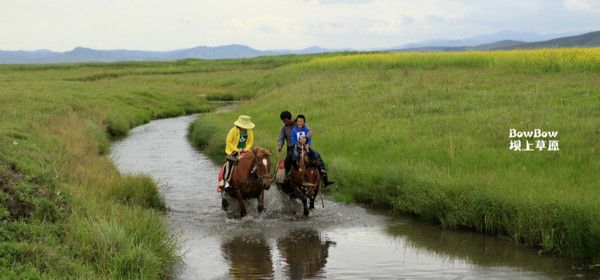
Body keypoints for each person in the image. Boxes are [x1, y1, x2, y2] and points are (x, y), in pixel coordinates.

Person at [290, 114, 335, 187]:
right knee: (294, 156)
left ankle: (324, 175)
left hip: (306, 147)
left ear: (304, 122)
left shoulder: (307, 129)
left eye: (301, 121)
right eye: (298, 121)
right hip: (297, 148)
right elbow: (293, 139)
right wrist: (298, 142)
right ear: (296, 122)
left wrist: (307, 143)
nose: (300, 123)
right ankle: (292, 175)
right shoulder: (294, 130)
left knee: (316, 155)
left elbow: (309, 138)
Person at [218, 115, 255, 190]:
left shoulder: (249, 131)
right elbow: (228, 142)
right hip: (233, 151)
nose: (245, 127)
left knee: (255, 162)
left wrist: (245, 148)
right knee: (229, 164)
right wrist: (236, 149)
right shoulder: (233, 131)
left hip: (246, 150)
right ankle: (226, 180)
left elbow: (250, 142)